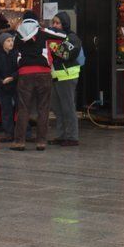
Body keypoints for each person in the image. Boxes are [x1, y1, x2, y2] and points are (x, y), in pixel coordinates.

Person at [10, 11, 65, 151]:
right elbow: (63, 36)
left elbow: (13, 51)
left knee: (23, 108)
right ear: (36, 20)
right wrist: (46, 29)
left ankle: (19, 142)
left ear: (24, 20)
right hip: (43, 74)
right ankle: (41, 142)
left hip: (24, 74)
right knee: (43, 108)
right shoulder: (43, 32)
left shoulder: (18, 35)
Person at [50, 11, 83, 147]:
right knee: (57, 108)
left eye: (58, 23)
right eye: (53, 22)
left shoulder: (72, 38)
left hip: (67, 76)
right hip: (56, 76)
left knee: (68, 107)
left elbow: (66, 54)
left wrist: (52, 46)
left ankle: (72, 137)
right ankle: (61, 135)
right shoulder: (54, 36)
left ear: (64, 24)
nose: (54, 25)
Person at [0, 31, 19, 142]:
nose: (11, 43)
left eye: (12, 40)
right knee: (6, 110)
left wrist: (13, 77)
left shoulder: (17, 55)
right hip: (4, 87)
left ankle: (25, 132)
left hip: (16, 86)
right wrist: (0, 82)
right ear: (2, 43)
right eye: (8, 41)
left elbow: (21, 69)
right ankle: (8, 133)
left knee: (21, 109)